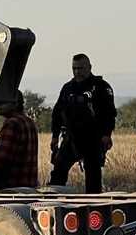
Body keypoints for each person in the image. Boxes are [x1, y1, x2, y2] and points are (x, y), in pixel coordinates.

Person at [49, 54, 116, 194]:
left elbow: (109, 114)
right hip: (71, 137)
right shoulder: (68, 88)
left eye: (81, 68)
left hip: (93, 138)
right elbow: (57, 113)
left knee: (93, 176)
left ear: (89, 67)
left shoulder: (101, 87)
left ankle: (93, 203)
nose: (77, 72)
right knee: (58, 172)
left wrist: (106, 134)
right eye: (74, 68)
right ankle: (53, 200)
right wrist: (55, 136)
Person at [0, 96, 39, 191]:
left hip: (11, 187)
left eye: (3, 103)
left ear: (15, 104)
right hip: (29, 187)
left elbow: (3, 158)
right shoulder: (30, 122)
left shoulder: (12, 124)